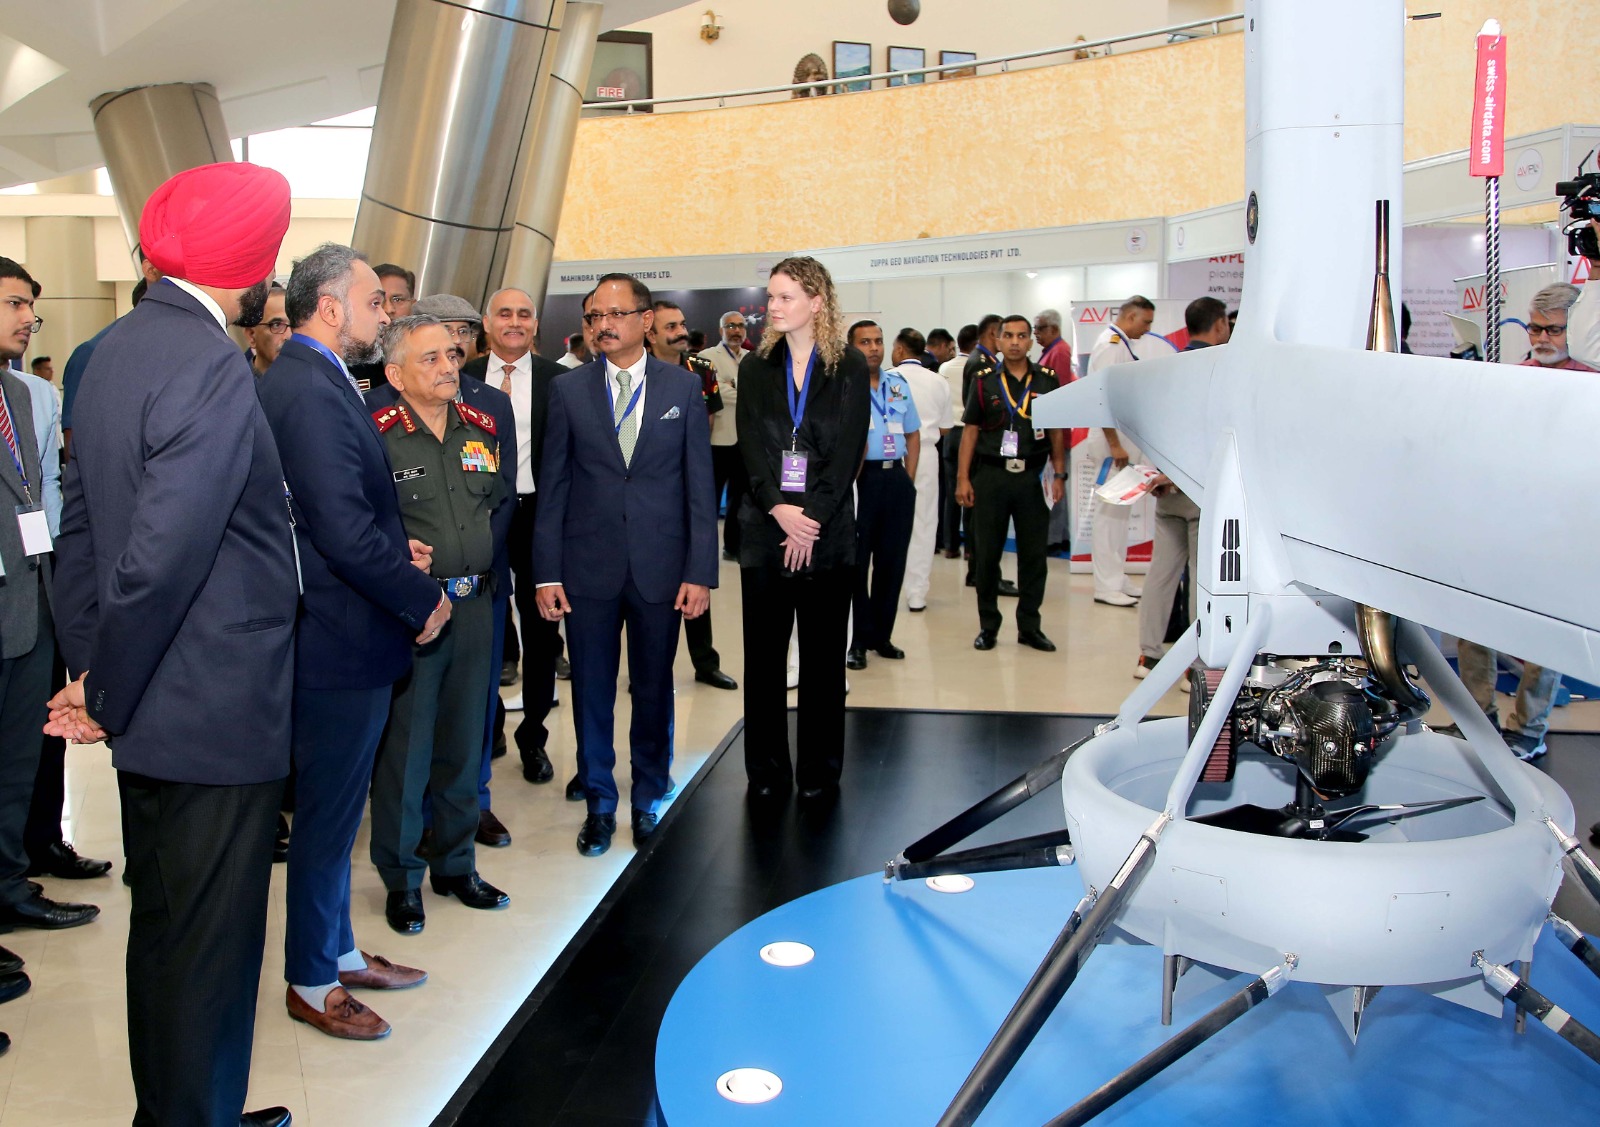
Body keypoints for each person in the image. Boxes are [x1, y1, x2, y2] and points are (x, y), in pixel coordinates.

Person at [49, 161, 295, 1127]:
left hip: (151, 696)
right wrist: (102, 685)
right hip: (212, 702)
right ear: (253, 259)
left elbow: (81, 530)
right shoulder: (209, 361)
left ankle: (182, 1109)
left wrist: (90, 667)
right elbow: (163, 556)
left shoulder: (109, 349)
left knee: (166, 926)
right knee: (211, 943)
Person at [256, 244, 443, 1038]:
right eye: (374, 302)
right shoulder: (307, 387)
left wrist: (395, 549)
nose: (385, 314)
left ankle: (336, 951)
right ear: (330, 307)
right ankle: (311, 978)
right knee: (329, 823)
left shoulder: (320, 377)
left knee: (337, 817)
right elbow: (338, 530)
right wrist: (420, 597)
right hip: (336, 638)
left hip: (344, 626)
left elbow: (330, 514)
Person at [534, 274, 718, 857]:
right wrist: (546, 572)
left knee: (654, 688)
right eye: (595, 316)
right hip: (587, 567)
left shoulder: (682, 388)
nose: (603, 325)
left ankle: (647, 797)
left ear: (645, 319)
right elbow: (554, 487)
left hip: (661, 567)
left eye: (616, 314)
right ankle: (598, 803)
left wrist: (700, 571)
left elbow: (699, 487)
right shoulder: (568, 390)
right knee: (591, 690)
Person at [369, 314, 512, 920]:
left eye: (452, 355)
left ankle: (457, 865)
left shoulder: (481, 427)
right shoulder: (375, 433)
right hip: (415, 613)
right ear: (396, 375)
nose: (449, 367)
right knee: (407, 749)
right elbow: (359, 523)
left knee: (464, 741)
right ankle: (402, 877)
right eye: (430, 359)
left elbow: (498, 505)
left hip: (475, 606)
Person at [737, 257, 869, 802]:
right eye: (771, 296)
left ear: (816, 303)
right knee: (764, 662)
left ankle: (819, 772)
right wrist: (779, 510)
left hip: (826, 533)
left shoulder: (849, 366)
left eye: (785, 297)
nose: (772, 307)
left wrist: (809, 520)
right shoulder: (755, 367)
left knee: (822, 663)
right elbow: (749, 448)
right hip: (766, 529)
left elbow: (848, 453)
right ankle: (766, 772)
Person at [0, 260, 90, 1033]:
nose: (28, 316)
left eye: (30, 304)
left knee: (16, 760)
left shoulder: (29, 393)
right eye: (13, 303)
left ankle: (9, 887)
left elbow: (46, 490)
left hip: (32, 596)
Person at [1456, 284, 1593, 765]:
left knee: (1544, 635)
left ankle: (1529, 728)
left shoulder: (1590, 384)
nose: (1540, 338)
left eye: (1552, 330)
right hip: (1506, 517)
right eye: (1534, 328)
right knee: (1473, 620)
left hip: (1560, 527)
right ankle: (1476, 717)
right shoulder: (1517, 376)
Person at [402, 293, 520, 847]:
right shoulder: (386, 412)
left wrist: (479, 552)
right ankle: (416, 830)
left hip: (480, 585)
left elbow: (503, 495)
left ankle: (469, 815)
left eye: (461, 336)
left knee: (472, 713)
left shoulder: (490, 408)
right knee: (417, 719)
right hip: (419, 595)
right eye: (439, 337)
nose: (452, 350)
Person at [461, 289, 566, 787]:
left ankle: (534, 736)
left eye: (525, 314)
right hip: (480, 517)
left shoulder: (559, 381)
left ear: (536, 325)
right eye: (505, 313)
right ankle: (491, 726)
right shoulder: (459, 379)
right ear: (487, 323)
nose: (515, 322)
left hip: (541, 516)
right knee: (484, 628)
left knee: (543, 632)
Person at [956, 314, 1066, 652]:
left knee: (1034, 556)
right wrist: (963, 478)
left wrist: (1059, 473)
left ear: (1030, 341)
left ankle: (1029, 627)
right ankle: (988, 626)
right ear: (998, 340)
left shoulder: (1047, 379)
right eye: (1008, 336)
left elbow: (1057, 430)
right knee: (987, 555)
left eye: (1021, 336)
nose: (1015, 342)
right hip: (991, 476)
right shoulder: (984, 380)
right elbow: (970, 431)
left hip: (1033, 477)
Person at [1134, 297, 1226, 681]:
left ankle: (1148, 656)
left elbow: (1157, 428)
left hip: (1166, 487)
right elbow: (1211, 433)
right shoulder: (1218, 369)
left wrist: (1162, 474)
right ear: (1219, 324)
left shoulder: (1168, 368)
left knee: (1161, 575)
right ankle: (1197, 667)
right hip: (1201, 489)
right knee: (1201, 580)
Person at [649, 299, 736, 690]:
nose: (681, 332)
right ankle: (650, 667)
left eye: (682, 324)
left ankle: (705, 661)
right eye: (671, 327)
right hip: (649, 489)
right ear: (650, 333)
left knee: (696, 569)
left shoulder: (701, 369)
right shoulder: (637, 372)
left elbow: (708, 420)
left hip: (693, 482)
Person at [845, 321, 920, 669]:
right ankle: (857, 641)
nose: (874, 348)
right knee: (858, 564)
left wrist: (909, 479)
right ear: (851, 347)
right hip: (862, 480)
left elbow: (913, 433)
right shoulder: (845, 386)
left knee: (892, 562)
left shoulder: (898, 385)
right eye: (865, 342)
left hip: (896, 480)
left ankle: (881, 636)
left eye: (878, 341)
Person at [1086, 295, 1161, 606]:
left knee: (1119, 514)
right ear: (1130, 317)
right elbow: (1101, 396)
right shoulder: (1111, 345)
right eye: (1146, 322)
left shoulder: (1122, 345)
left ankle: (1116, 577)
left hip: (1123, 443)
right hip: (1112, 445)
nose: (1148, 328)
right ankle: (1105, 586)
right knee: (1108, 516)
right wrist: (1115, 444)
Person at [890, 328, 952, 614]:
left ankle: (889, 586)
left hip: (891, 453)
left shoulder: (889, 378)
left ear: (899, 350)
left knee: (889, 525)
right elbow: (946, 426)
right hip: (926, 453)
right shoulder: (938, 381)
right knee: (924, 523)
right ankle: (917, 593)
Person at [699, 310, 749, 560]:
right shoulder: (705, 357)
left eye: (740, 326)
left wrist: (731, 385)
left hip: (745, 441)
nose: (736, 331)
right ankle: (703, 551)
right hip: (715, 439)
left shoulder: (752, 358)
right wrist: (744, 392)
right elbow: (712, 393)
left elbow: (760, 393)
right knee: (710, 500)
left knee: (739, 500)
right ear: (721, 330)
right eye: (730, 326)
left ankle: (733, 547)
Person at [937, 323, 976, 559]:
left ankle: (950, 545)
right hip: (970, 433)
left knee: (951, 490)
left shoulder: (945, 367)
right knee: (970, 489)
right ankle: (971, 547)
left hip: (950, 434)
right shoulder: (979, 367)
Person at [245, 282, 289, 375]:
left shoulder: (314, 379)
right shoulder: (236, 382)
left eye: (295, 325)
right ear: (251, 336)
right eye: (276, 325)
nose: (289, 336)